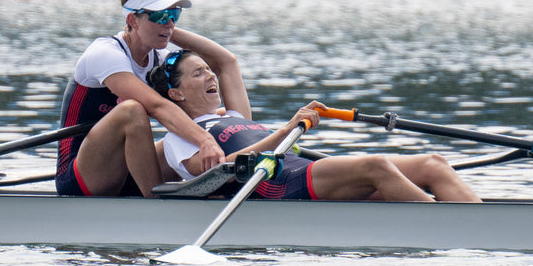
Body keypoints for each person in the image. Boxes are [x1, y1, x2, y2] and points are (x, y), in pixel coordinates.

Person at [147, 50, 482, 202]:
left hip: (305, 170)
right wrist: (287, 128)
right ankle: (449, 225)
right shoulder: (178, 138)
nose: (210, 75)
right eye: (198, 73)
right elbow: (216, 173)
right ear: (175, 93)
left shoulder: (232, 115)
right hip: (279, 186)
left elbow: (228, 61)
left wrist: (165, 29)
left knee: (433, 163)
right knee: (376, 166)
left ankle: (478, 220)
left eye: (207, 70)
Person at [56, 0, 236, 198]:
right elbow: (156, 106)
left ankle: (227, 185)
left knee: (213, 116)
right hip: (80, 176)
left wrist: (228, 123)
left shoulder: (160, 60)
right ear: (132, 20)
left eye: (174, 14)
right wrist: (205, 140)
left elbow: (226, 62)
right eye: (161, 15)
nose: (169, 23)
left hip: (129, 170)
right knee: (132, 110)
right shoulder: (105, 53)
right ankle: (156, 201)